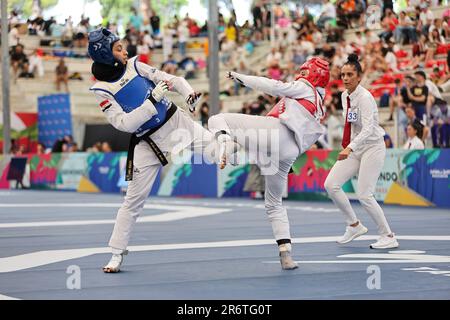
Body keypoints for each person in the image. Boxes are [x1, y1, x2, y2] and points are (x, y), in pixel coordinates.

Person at [88, 28, 208, 273]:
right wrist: (150, 102)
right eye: (118, 48)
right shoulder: (102, 90)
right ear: (105, 56)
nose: (125, 51)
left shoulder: (136, 66)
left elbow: (171, 80)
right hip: (147, 142)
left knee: (220, 148)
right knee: (132, 202)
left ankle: (269, 157)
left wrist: (188, 93)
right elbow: (124, 124)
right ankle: (116, 254)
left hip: (178, 124)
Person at [208, 57, 330, 270]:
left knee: (217, 120)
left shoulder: (303, 88)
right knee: (274, 204)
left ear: (312, 74)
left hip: (278, 134)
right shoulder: (319, 104)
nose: (300, 74)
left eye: (304, 71)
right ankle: (286, 254)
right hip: (289, 151)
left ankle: (224, 144)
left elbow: (273, 86)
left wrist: (242, 78)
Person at [324, 54, 399, 250]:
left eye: (350, 74)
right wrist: (350, 146)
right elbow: (351, 124)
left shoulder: (365, 98)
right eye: (343, 75)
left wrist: (350, 147)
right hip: (356, 147)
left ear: (359, 77)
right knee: (331, 184)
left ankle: (388, 235)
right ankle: (354, 225)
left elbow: (367, 129)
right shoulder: (343, 96)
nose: (346, 78)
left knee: (364, 194)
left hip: (372, 146)